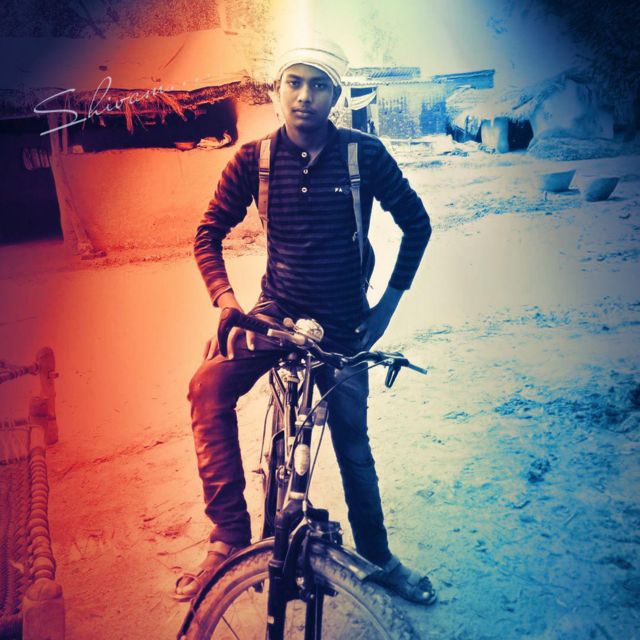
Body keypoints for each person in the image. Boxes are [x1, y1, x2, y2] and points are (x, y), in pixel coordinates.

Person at [174, 35, 436, 606]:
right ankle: (228, 537)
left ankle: (377, 556)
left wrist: (386, 309)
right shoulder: (253, 159)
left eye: (319, 86)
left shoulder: (364, 154)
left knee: (352, 443)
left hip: (344, 323)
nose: (304, 96)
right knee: (206, 387)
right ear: (276, 90)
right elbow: (207, 233)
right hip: (274, 314)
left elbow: (417, 224)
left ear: (335, 96)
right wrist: (226, 303)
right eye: (294, 82)